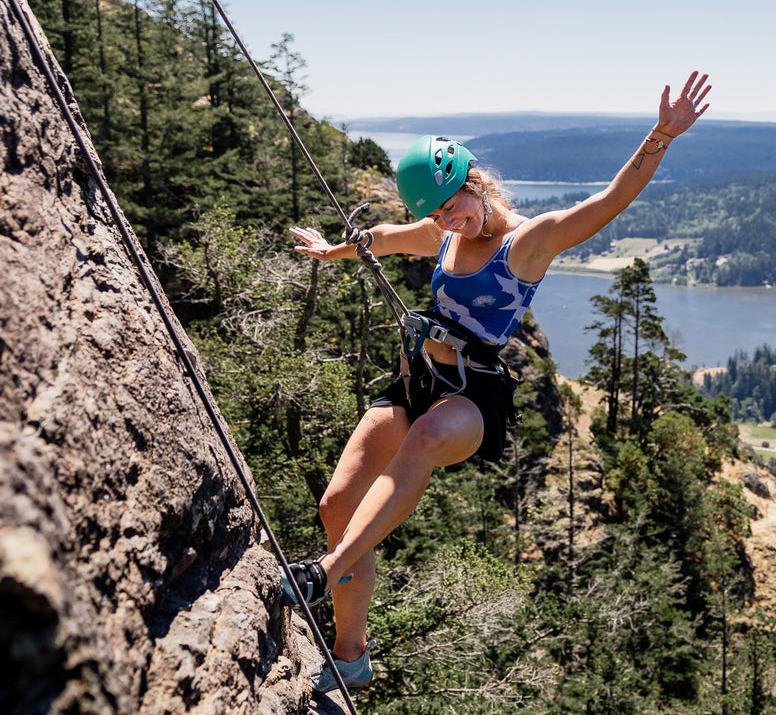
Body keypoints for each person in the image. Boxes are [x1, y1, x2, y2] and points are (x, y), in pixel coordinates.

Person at [284, 71, 710, 692]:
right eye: (438, 213)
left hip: (472, 395)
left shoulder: (527, 242)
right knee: (336, 506)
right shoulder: (443, 230)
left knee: (427, 439)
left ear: (474, 182)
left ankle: (322, 574)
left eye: (452, 206)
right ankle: (351, 656)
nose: (448, 221)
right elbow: (387, 240)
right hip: (418, 378)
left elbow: (608, 201)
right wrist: (334, 251)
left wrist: (661, 136)